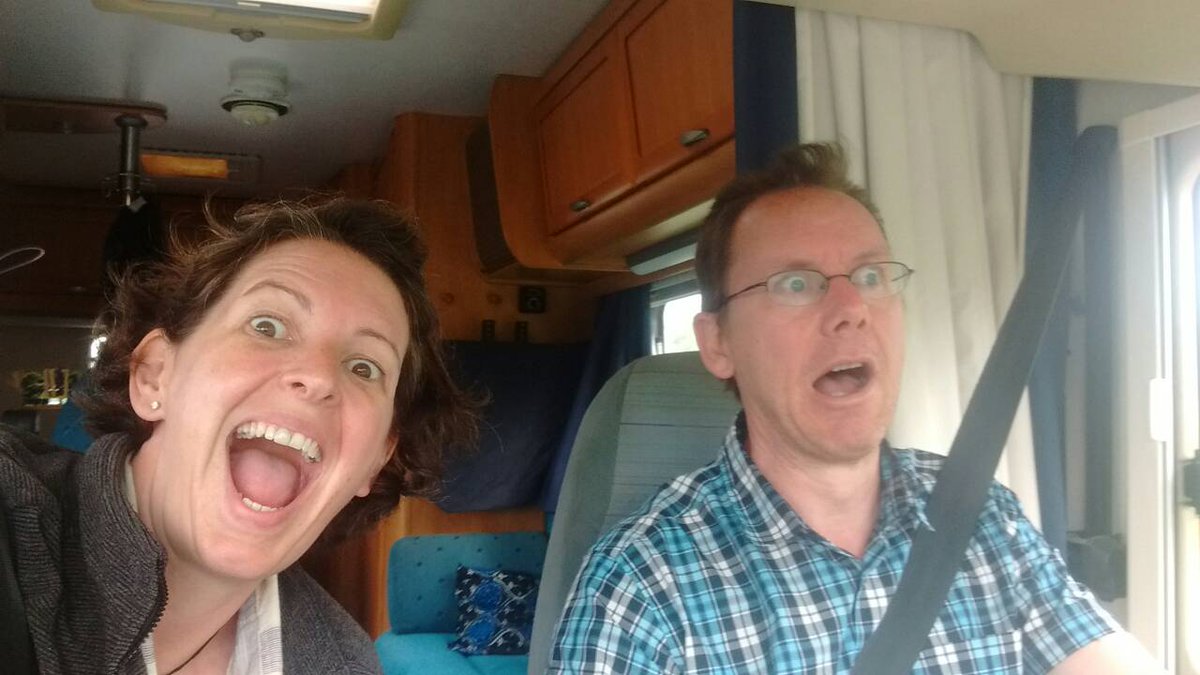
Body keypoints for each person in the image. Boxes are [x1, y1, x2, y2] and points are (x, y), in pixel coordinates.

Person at [548, 144, 1158, 673]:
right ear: (718, 344)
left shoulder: (981, 515)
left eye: (870, 276)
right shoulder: (641, 584)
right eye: (795, 284)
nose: (851, 309)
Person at [0, 198, 474, 674]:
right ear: (155, 375)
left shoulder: (347, 663)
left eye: (365, 367)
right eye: (267, 326)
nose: (319, 377)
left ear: (376, 460)